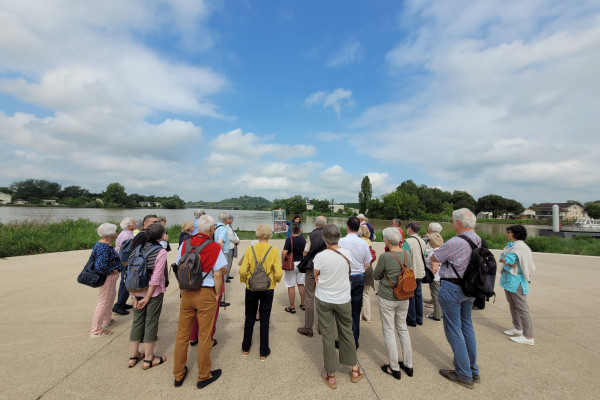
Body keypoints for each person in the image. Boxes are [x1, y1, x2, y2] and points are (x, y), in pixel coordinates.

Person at [173, 215, 228, 389]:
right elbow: (218, 273)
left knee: (182, 335)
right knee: (205, 337)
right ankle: (204, 375)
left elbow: (178, 267)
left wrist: (182, 289)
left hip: (187, 292)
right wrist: (216, 294)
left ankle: (178, 373)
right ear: (211, 229)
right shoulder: (214, 247)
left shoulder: (185, 244)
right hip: (205, 293)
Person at [430, 208, 481, 389]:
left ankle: (463, 373)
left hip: (453, 287)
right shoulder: (478, 240)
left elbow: (435, 257)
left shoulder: (455, 242)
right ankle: (473, 369)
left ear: (459, 223)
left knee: (454, 330)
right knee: (466, 326)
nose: (451, 224)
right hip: (470, 288)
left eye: (452, 221)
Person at [314, 224, 364, 389]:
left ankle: (331, 374)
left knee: (328, 335)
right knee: (346, 332)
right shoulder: (347, 253)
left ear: (324, 238)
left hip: (324, 298)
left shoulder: (320, 256)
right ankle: (354, 368)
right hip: (343, 298)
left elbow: (316, 274)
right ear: (338, 237)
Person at [373, 227, 413, 379]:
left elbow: (376, 276)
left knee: (389, 330)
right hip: (404, 295)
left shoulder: (385, 256)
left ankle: (394, 367)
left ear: (387, 241)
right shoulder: (406, 254)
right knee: (402, 328)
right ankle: (408, 364)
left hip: (388, 295)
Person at [240, 224, 282, 361]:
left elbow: (242, 270)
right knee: (265, 318)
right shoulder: (273, 250)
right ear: (269, 235)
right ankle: (263, 351)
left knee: (249, 317)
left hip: (251, 287)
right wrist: (276, 280)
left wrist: (244, 280)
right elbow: (278, 271)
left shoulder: (250, 249)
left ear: (257, 234)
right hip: (267, 288)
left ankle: (246, 347)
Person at [128, 222, 168, 370]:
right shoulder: (160, 251)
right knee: (151, 322)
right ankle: (149, 358)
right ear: (161, 235)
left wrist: (133, 296)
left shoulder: (137, 249)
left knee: (137, 322)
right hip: (153, 293)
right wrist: (148, 297)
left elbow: (129, 273)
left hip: (136, 291)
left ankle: (133, 356)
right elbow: (156, 278)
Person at [338, 216, 372, 348]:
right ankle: (354, 341)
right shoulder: (364, 243)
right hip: (358, 276)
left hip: (344, 277)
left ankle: (343, 339)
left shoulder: (340, 241)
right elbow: (367, 264)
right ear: (358, 228)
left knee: (342, 311)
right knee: (356, 311)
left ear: (347, 227)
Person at [500, 225, 536, 346]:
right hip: (510, 280)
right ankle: (517, 328)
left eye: (509, 232)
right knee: (513, 305)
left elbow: (509, 261)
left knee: (522, 308)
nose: (507, 234)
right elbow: (503, 258)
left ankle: (528, 336)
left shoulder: (520, 247)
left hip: (517, 281)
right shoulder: (512, 246)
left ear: (515, 233)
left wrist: (505, 259)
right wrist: (505, 259)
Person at [90, 223, 122, 338]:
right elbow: (100, 266)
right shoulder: (104, 247)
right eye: (115, 230)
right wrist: (111, 270)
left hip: (110, 278)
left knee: (110, 297)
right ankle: (96, 330)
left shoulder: (104, 244)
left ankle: (106, 320)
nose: (117, 232)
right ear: (110, 234)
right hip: (108, 277)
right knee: (103, 302)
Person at [297, 216, 327, 338]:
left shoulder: (311, 235)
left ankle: (308, 327)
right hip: (325, 267)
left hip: (311, 267)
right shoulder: (328, 234)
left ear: (315, 224)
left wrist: (306, 256)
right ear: (325, 224)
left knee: (310, 296)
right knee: (323, 295)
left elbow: (305, 252)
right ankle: (322, 326)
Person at [402, 222, 427, 326]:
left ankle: (411, 319)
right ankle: (419, 318)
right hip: (420, 271)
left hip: (411, 272)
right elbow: (425, 256)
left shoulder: (407, 242)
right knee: (418, 294)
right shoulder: (422, 241)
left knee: (410, 295)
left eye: (407, 228)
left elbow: (405, 258)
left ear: (411, 229)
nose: (406, 230)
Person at [112, 217, 136, 315]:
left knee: (124, 282)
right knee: (127, 282)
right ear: (129, 226)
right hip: (126, 262)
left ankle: (121, 302)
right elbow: (126, 252)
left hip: (123, 261)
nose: (135, 224)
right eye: (134, 222)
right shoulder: (127, 236)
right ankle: (119, 305)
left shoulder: (124, 234)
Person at [281, 221, 306, 313]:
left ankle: (292, 307)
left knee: (291, 285)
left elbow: (284, 253)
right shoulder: (303, 240)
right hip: (301, 264)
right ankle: (303, 304)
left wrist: (283, 261)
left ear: (292, 229)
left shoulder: (289, 240)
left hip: (291, 264)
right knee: (301, 284)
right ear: (300, 229)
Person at [425, 233, 444, 322]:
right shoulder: (442, 250)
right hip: (441, 276)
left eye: (429, 240)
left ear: (432, 242)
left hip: (435, 278)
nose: (428, 242)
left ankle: (437, 316)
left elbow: (435, 268)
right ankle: (440, 313)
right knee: (439, 296)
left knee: (435, 296)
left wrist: (428, 277)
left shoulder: (435, 252)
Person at [358, 225, 374, 323]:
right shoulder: (369, 242)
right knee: (366, 294)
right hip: (369, 268)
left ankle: (358, 315)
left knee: (358, 293)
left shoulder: (359, 242)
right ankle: (367, 315)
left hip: (360, 268)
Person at [225, 214, 240, 282]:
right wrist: (236, 241)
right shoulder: (227, 227)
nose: (233, 220)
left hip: (232, 246)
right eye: (232, 219)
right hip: (229, 247)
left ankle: (227, 275)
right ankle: (225, 277)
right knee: (227, 262)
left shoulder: (230, 226)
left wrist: (237, 239)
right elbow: (230, 236)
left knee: (230, 262)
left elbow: (234, 234)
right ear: (228, 219)